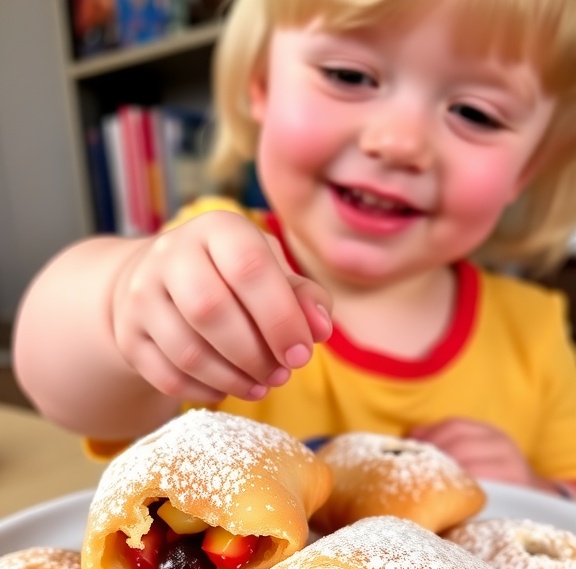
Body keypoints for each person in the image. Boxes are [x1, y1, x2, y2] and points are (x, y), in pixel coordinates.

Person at [13, 0, 576, 497]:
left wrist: (533, 490)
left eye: (475, 113)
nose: (400, 143)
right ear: (261, 83)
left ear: (526, 169)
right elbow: (59, 381)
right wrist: (121, 298)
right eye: (349, 76)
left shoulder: (535, 330)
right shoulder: (214, 266)